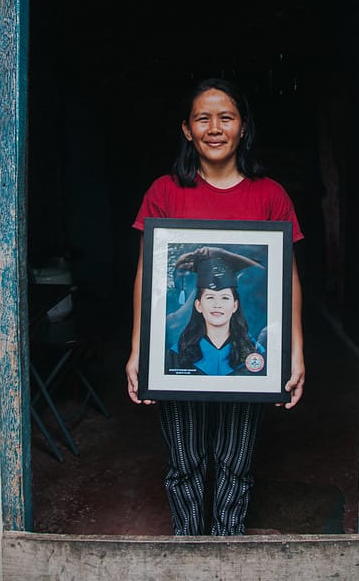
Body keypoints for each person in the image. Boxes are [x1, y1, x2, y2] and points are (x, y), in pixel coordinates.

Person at [126, 77, 305, 536]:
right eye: (202, 118)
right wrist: (139, 351)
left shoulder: (270, 195)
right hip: (178, 361)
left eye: (226, 117)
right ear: (186, 129)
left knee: (234, 461)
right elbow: (148, 273)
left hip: (248, 368)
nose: (215, 127)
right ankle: (188, 550)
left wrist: (295, 351)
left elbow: (288, 277)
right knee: (184, 460)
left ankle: (228, 550)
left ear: (242, 127)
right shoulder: (164, 192)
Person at [166, 246, 266, 376]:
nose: (217, 304)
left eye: (225, 297)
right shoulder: (177, 354)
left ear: (235, 305)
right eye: (210, 297)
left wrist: (222, 255)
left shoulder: (254, 351)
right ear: (198, 305)